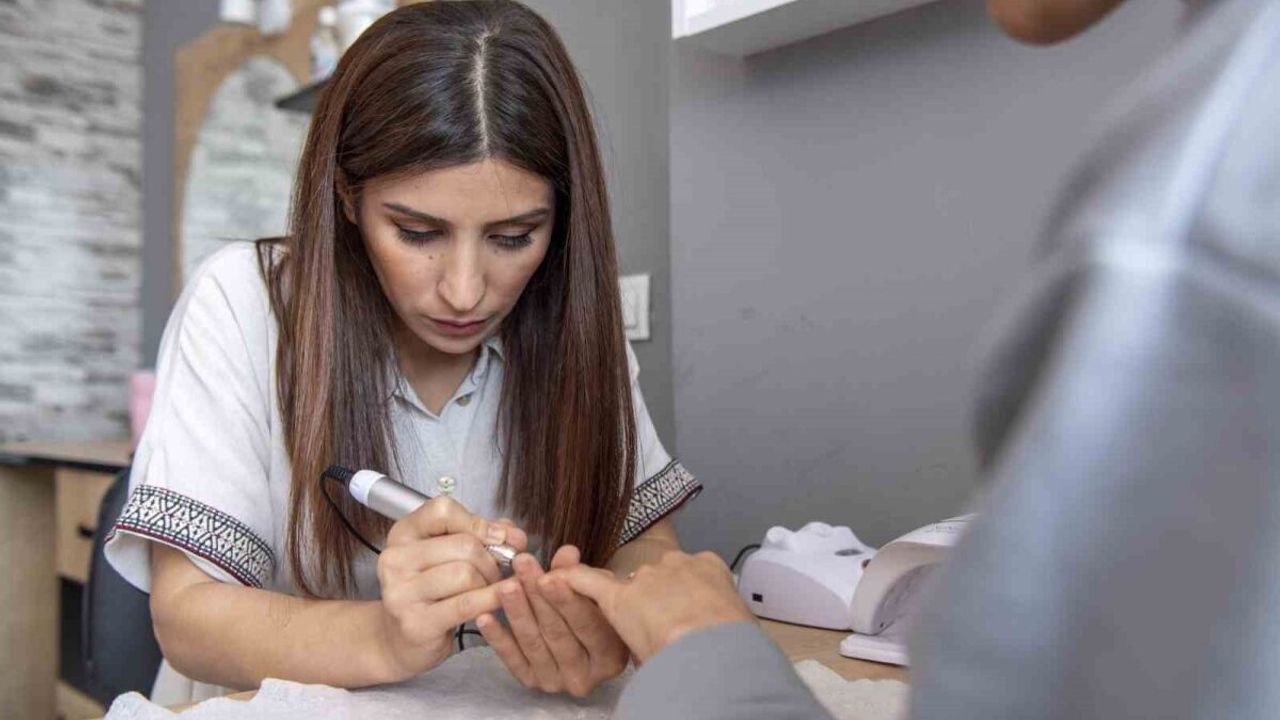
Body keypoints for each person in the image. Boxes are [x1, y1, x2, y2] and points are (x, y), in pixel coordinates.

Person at [550, 0, 1280, 717]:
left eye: (516, 235)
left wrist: (690, 641)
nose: (483, 287)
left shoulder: (1198, 216)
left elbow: (643, 543)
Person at [104, 0, 701, 706]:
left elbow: (647, 548)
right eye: (417, 233)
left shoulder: (576, 323)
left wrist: (606, 620)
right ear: (346, 196)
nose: (465, 291)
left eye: (514, 237)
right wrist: (385, 637)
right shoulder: (243, 302)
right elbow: (188, 618)